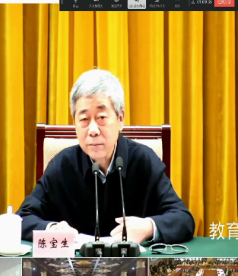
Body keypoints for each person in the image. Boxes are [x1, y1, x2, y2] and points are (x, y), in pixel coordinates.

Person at [17, 69, 196, 244]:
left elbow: (183, 219)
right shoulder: (62, 166)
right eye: (84, 119)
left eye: (101, 117)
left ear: (120, 119)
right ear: (75, 123)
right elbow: (22, 217)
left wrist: (148, 227)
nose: (93, 130)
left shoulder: (144, 161)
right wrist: (51, 229)